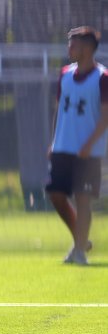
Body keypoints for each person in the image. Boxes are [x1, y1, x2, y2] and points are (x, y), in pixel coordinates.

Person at [46, 26, 107, 266]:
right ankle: (81, 240)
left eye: (74, 44)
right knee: (56, 195)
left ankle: (79, 251)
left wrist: (89, 144)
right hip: (62, 147)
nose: (69, 48)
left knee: (83, 200)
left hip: (88, 152)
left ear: (89, 47)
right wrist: (53, 141)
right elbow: (59, 110)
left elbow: (105, 117)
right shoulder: (64, 74)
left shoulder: (102, 78)